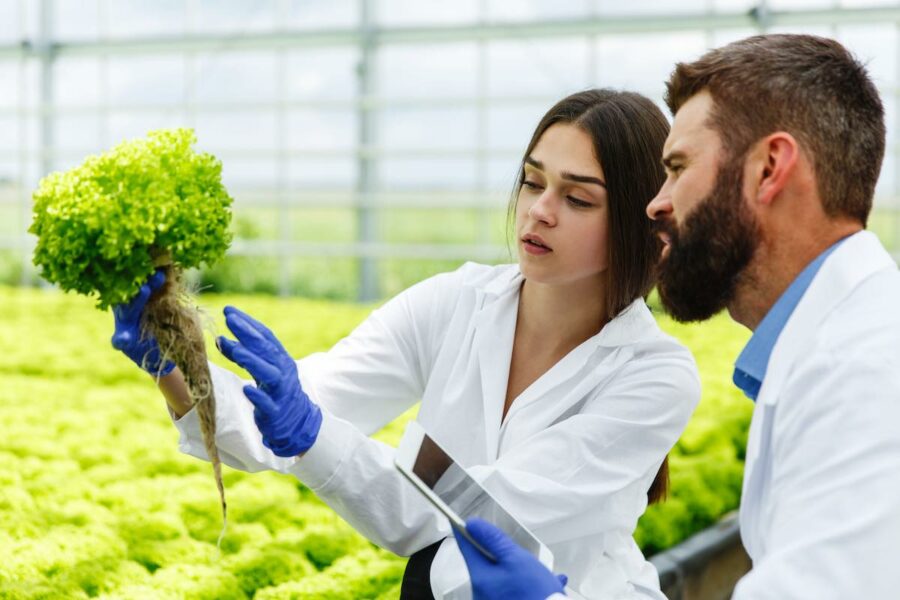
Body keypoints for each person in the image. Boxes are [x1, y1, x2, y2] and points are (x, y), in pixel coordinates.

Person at [111, 89, 701, 599]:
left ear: (636, 220)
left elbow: (481, 519)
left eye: (577, 199)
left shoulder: (653, 376)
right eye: (531, 181)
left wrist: (317, 435)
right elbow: (289, 418)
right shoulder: (455, 303)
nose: (539, 212)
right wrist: (176, 364)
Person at [451, 33, 900, 599]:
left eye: (678, 168)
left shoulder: (862, 376)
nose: (655, 204)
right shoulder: (836, 346)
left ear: (769, 169)